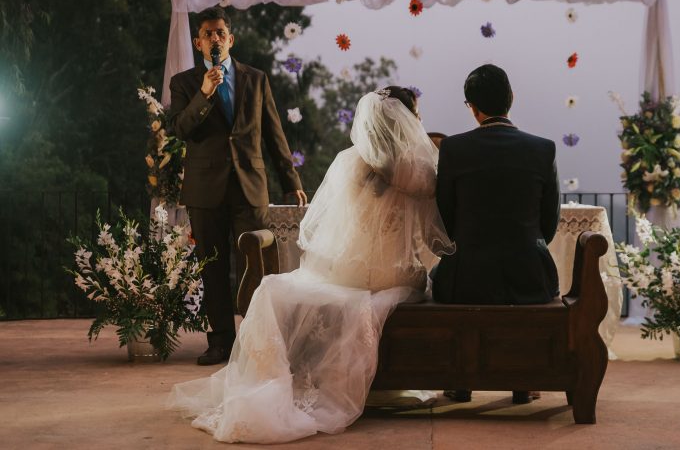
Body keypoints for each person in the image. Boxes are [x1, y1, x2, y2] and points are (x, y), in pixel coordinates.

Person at [168, 87, 454, 444]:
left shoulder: (350, 162)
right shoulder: (420, 171)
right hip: (392, 275)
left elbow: (324, 226)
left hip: (345, 270)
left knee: (279, 287)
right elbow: (436, 238)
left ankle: (280, 382)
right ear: (407, 120)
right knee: (418, 277)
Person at [169, 6, 307, 366]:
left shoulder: (256, 78)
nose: (214, 38)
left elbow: (275, 134)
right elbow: (181, 129)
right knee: (213, 268)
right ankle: (220, 342)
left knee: (257, 265)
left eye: (220, 33)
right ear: (199, 43)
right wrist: (204, 93)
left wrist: (291, 180)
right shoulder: (183, 83)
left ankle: (258, 339)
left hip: (250, 187)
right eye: (207, 34)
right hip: (205, 189)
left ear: (230, 39)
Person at [431, 64, 560, 404]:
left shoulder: (454, 149)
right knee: (517, 290)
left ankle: (462, 380)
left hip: (466, 278)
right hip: (529, 276)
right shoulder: (543, 149)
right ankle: (522, 379)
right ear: (511, 99)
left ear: (472, 107)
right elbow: (548, 227)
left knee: (446, 282)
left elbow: (444, 222)